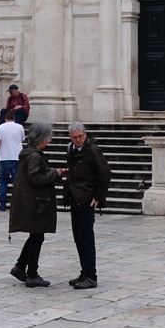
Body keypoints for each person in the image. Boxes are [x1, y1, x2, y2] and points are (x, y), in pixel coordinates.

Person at [9, 122, 63, 288]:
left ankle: (20, 267)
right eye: (47, 137)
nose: (49, 141)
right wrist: (55, 173)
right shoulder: (34, 156)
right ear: (41, 138)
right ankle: (32, 274)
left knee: (36, 236)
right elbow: (34, 178)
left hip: (30, 202)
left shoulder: (30, 154)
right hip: (33, 203)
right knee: (37, 236)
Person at [64, 123, 112, 290]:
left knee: (86, 238)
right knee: (78, 238)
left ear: (85, 134)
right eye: (74, 137)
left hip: (86, 198)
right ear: (70, 137)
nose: (78, 140)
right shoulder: (71, 149)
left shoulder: (93, 150)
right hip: (75, 197)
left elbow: (105, 173)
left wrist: (98, 197)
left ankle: (91, 276)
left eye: (80, 137)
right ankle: (84, 272)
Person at [0, 110, 25, 211]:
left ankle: (2, 205)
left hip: (4, 158)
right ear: (14, 119)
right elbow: (22, 139)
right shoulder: (20, 127)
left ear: (5, 119)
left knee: (3, 182)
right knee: (16, 183)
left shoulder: (1, 127)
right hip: (17, 157)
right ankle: (17, 205)